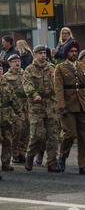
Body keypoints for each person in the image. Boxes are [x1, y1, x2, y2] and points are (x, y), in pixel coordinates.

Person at [54, 41, 85, 175]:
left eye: (75, 51)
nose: (74, 53)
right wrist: (61, 106)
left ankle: (83, 165)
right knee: (70, 134)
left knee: (84, 136)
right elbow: (58, 89)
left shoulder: (83, 67)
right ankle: (62, 157)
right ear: (66, 53)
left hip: (83, 106)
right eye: (71, 51)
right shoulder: (60, 68)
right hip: (68, 107)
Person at [23, 45, 61, 173]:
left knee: (53, 135)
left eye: (44, 53)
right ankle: (30, 155)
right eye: (40, 53)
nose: (43, 55)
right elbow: (27, 85)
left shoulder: (51, 68)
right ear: (35, 55)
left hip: (50, 105)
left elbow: (58, 84)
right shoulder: (29, 70)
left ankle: (52, 162)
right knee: (38, 135)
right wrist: (34, 94)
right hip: (36, 106)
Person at [3, 54, 29, 166]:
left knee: (26, 130)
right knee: (17, 130)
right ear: (9, 64)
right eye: (14, 61)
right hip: (14, 106)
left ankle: (22, 152)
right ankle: (15, 154)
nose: (17, 63)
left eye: (18, 61)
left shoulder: (25, 74)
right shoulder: (6, 76)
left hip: (26, 104)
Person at [0, 57, 21, 171]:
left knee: (7, 140)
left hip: (7, 116)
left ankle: (6, 163)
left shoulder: (7, 85)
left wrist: (19, 112)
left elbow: (14, 100)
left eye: (1, 69)